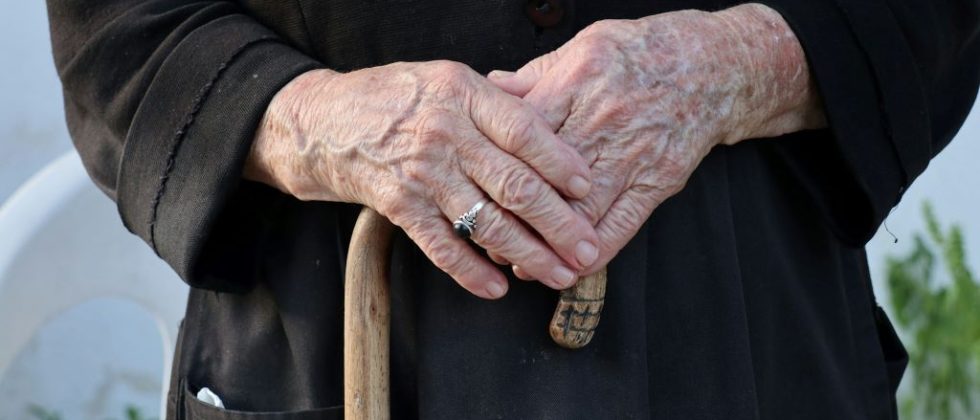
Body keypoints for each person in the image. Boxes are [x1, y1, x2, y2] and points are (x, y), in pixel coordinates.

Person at [46, 0, 979, 418]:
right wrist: (321, 121)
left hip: (745, 344)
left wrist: (734, 66)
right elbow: (115, 25)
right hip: (333, 351)